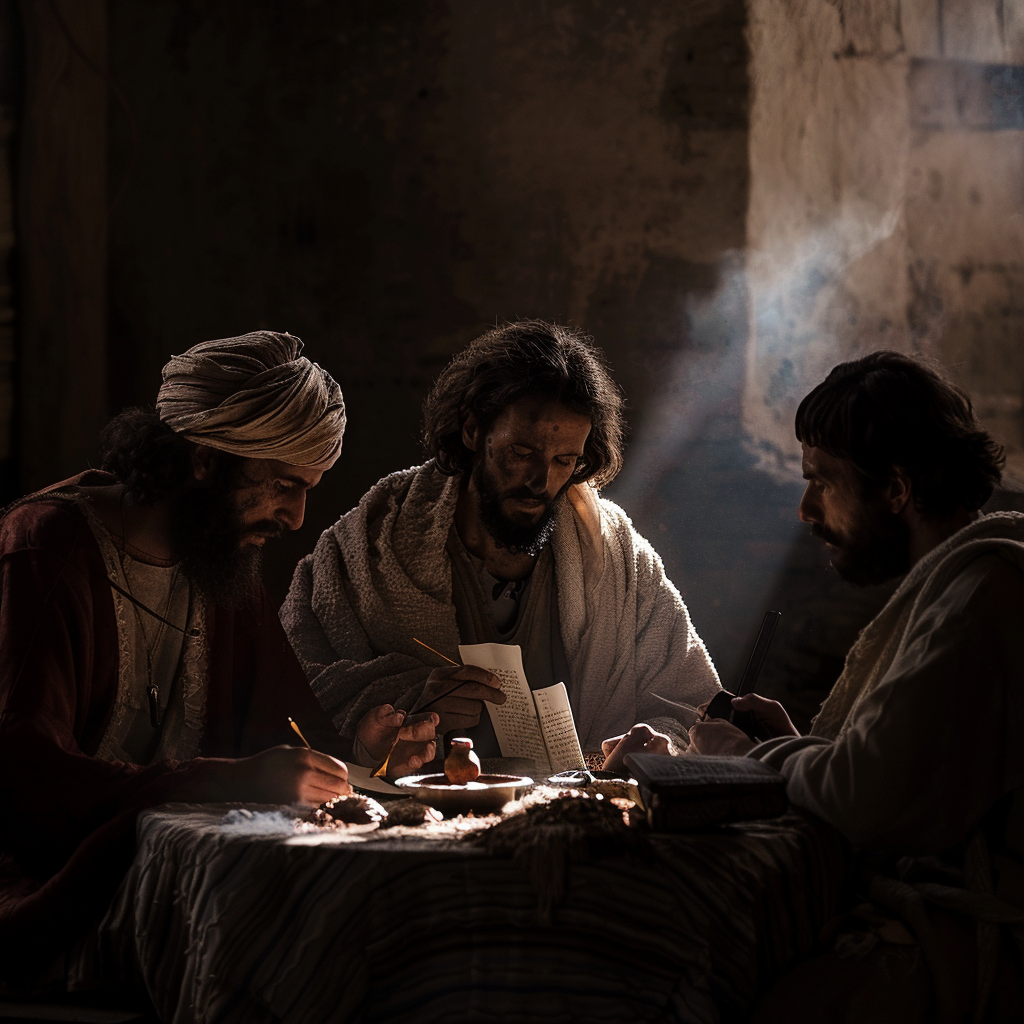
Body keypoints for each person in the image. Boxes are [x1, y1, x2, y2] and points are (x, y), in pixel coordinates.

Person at [0, 331, 436, 982]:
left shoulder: (222, 562)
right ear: (204, 462)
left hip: (174, 881)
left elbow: (284, 741)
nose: (296, 517)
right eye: (285, 485)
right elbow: (25, 784)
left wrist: (361, 757)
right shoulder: (48, 546)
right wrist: (219, 779)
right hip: (56, 902)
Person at [688, 351, 1024, 1021]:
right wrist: (796, 743)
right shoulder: (961, 585)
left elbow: (868, 799)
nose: (806, 509)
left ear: (896, 490)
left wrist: (749, 761)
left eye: (821, 479)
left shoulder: (987, 595)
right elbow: (896, 768)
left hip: (980, 944)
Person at [282, 320, 720, 762]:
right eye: (521, 453)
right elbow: (292, 686)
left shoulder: (618, 563)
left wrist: (656, 746)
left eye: (564, 460)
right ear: (473, 430)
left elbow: (690, 706)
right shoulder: (373, 544)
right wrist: (398, 709)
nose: (540, 481)